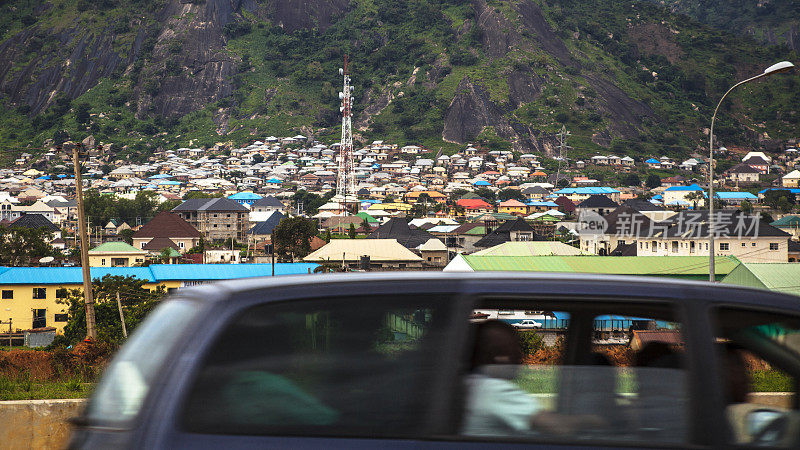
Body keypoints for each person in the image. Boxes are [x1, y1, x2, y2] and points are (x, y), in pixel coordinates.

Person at [462, 320, 602, 437]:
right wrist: (595, 420)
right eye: (506, 351)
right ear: (492, 357)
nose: (518, 358)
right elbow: (559, 427)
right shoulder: (494, 390)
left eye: (517, 349)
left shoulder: (471, 383)